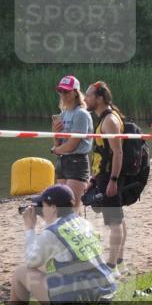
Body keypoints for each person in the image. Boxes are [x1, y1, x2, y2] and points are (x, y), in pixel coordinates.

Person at [0, 184, 116, 305]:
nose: (42, 209)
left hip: (80, 302)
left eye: (44, 205)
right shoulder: (84, 223)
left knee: (22, 272)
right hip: (104, 293)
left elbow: (30, 261)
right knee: (47, 268)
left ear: (53, 207)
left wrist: (30, 229)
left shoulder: (52, 233)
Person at [84, 81, 128, 278]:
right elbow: (103, 152)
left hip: (111, 176)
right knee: (118, 219)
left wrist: (113, 179)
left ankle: (111, 267)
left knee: (114, 222)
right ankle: (120, 262)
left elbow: (117, 152)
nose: (85, 99)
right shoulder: (105, 118)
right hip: (104, 175)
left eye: (89, 96)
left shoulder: (109, 120)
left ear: (99, 98)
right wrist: (94, 177)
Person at [50, 75, 93, 207]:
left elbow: (72, 145)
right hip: (62, 162)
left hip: (77, 162)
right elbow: (60, 144)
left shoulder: (81, 114)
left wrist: (54, 150)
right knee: (62, 208)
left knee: (72, 208)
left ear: (75, 92)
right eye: (60, 91)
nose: (63, 94)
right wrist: (55, 135)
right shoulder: (63, 114)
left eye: (66, 91)